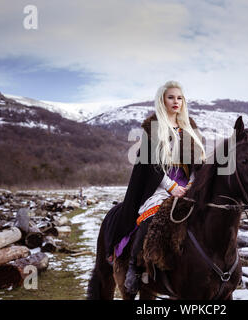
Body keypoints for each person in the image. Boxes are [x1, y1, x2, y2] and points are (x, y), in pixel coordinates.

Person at [101, 81, 206, 295]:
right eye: (171, 97)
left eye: (179, 98)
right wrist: (172, 187)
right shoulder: (154, 129)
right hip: (160, 186)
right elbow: (150, 166)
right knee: (151, 219)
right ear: (162, 100)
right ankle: (133, 268)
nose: (176, 101)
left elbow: (197, 163)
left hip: (188, 186)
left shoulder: (189, 128)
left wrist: (194, 183)